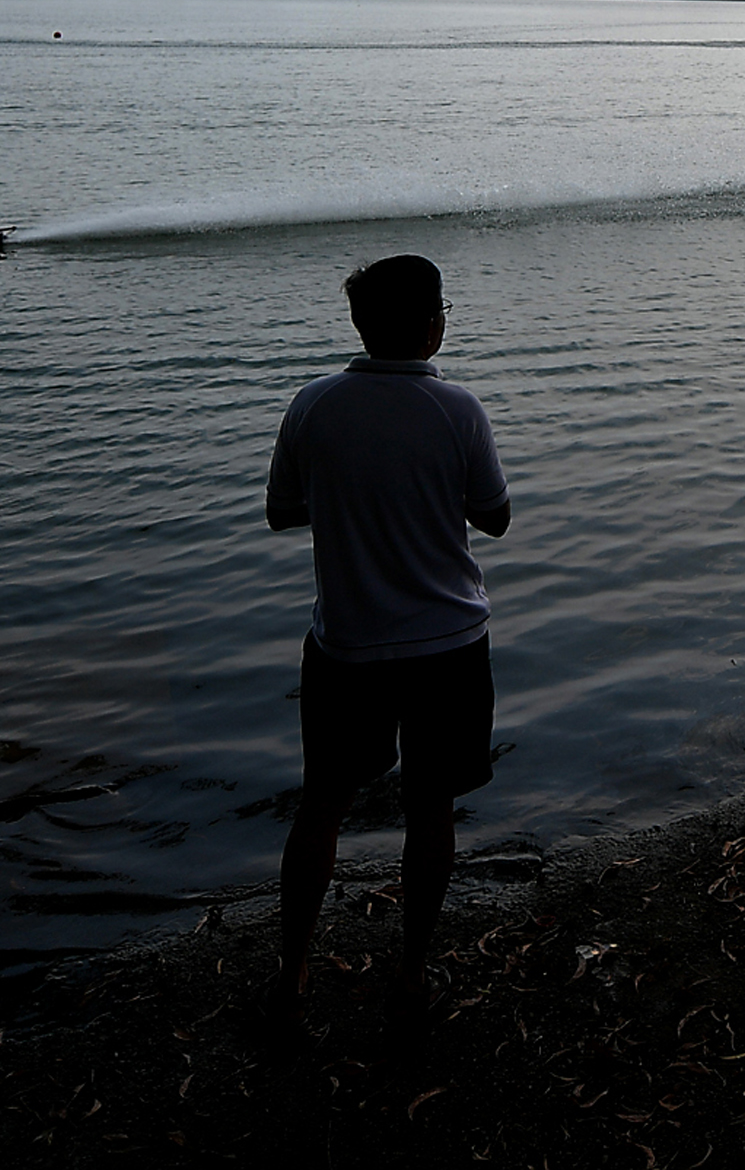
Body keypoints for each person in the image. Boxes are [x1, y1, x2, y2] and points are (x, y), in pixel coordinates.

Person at [262, 253, 510, 1033]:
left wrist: (349, 500)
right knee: (429, 808)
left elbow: (280, 510)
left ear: (360, 325)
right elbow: (495, 516)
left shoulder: (313, 404)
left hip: (346, 645)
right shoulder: (458, 408)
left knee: (321, 808)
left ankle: (294, 968)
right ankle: (408, 971)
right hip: (448, 645)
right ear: (433, 322)